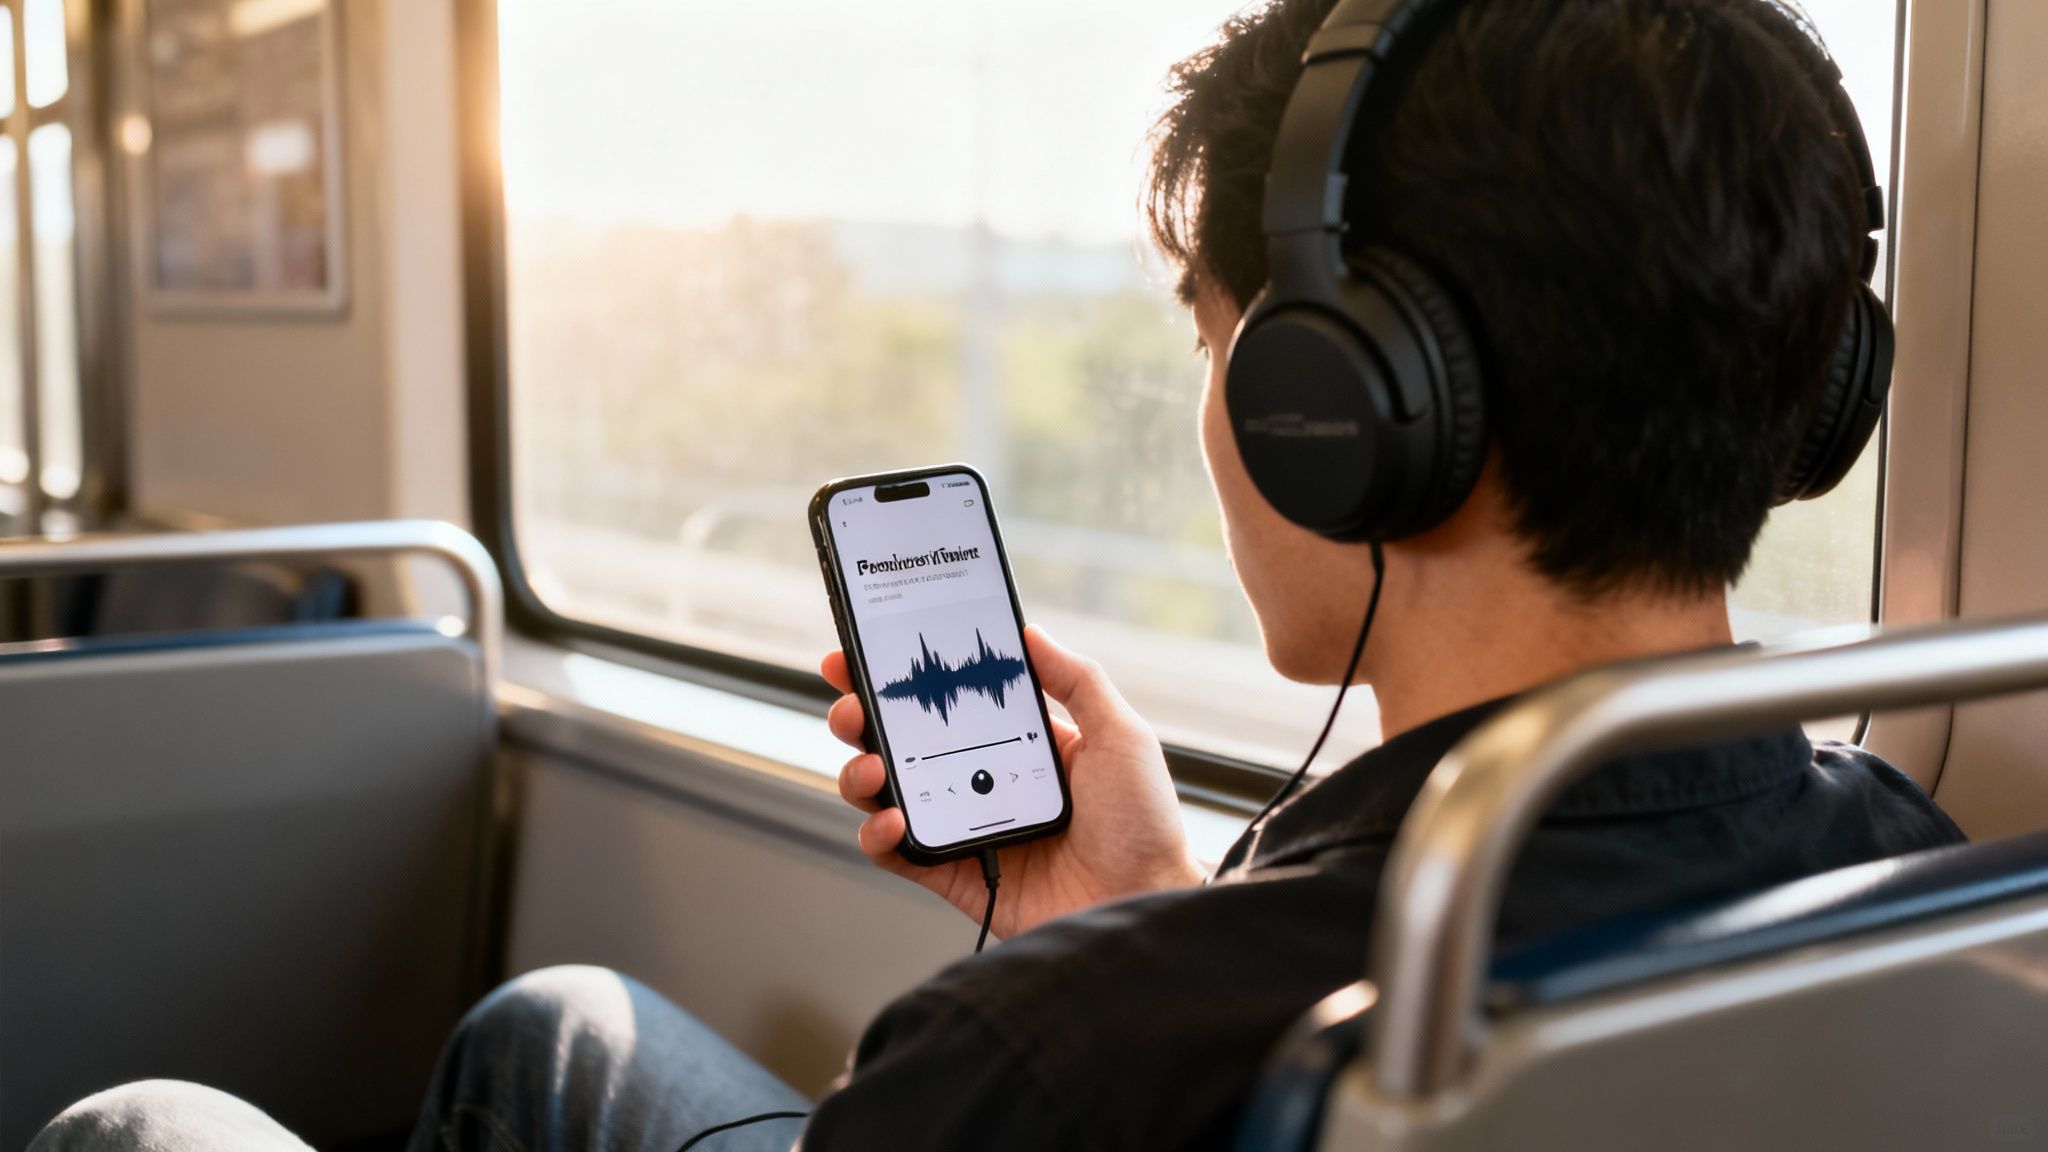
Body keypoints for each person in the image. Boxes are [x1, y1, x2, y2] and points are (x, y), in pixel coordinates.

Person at [33, 1, 1964, 1149]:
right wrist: (1135, 907)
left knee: (143, 1127)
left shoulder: (1032, 1071)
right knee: (551, 1031)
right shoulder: (1923, 883)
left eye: (1221, 344)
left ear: (1346, 409)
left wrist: (1094, 981)